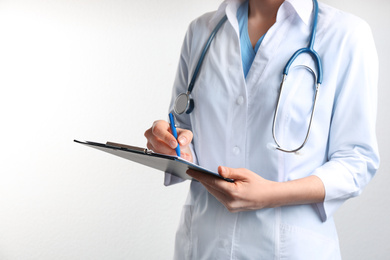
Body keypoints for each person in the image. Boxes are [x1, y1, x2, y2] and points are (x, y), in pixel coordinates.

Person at [144, 0, 379, 259]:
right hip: (204, 245)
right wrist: (172, 144)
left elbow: (357, 159)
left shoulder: (345, 34)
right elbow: (184, 130)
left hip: (288, 249)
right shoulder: (202, 30)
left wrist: (272, 194)